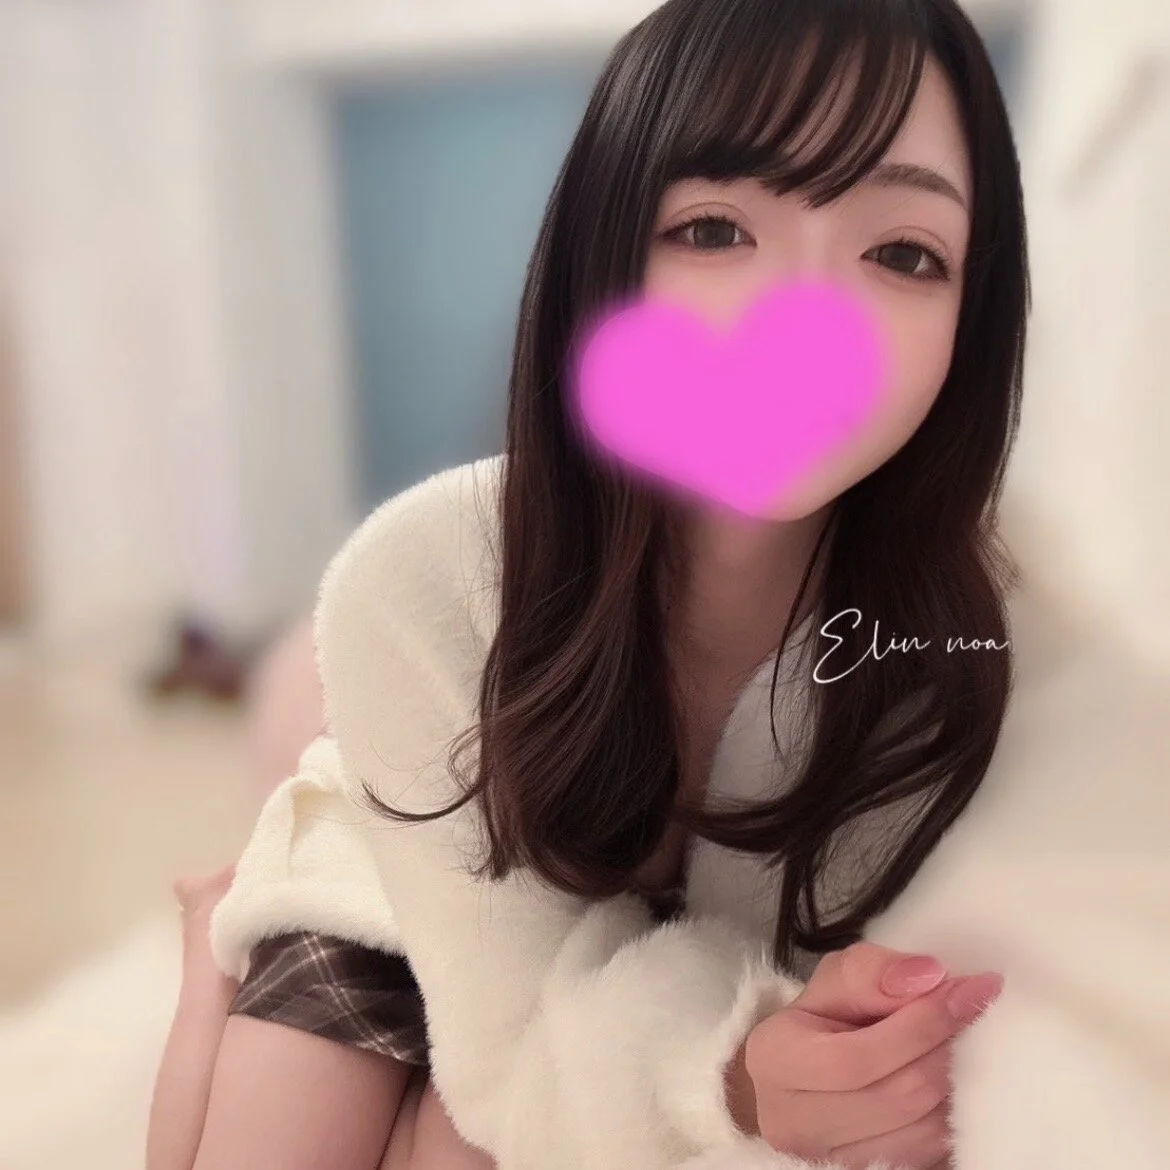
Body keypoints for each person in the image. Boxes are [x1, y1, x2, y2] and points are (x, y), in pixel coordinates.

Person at [147, 0, 1170, 1167]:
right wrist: (731, 1071)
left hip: (621, 977)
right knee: (271, 1122)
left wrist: (752, 1065)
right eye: (716, 229)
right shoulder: (426, 572)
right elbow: (509, 1043)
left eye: (902, 253)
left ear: (969, 320)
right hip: (421, 875)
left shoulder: (982, 625)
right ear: (603, 258)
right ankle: (214, 949)